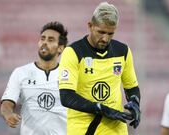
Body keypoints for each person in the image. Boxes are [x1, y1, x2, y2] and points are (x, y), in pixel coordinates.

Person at [59, 2, 141, 135]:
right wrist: (102, 109)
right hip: (83, 126)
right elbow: (67, 96)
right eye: (101, 32)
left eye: (110, 34)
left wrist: (135, 103)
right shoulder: (73, 52)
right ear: (90, 26)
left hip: (115, 126)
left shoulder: (123, 51)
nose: (105, 38)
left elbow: (131, 87)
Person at [0, 21, 68, 135]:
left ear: (61, 48)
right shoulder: (21, 72)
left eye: (50, 40)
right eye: (42, 39)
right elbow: (7, 103)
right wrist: (8, 114)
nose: (44, 43)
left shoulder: (69, 75)